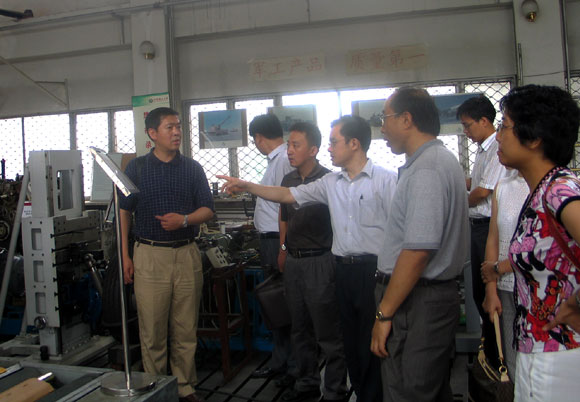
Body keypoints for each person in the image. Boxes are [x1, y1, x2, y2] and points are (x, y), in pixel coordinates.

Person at [219, 115, 397, 402]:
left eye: (334, 142)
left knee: (370, 340)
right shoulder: (331, 183)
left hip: (373, 272)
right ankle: (337, 389)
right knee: (346, 339)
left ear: (354, 144)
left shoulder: (387, 181)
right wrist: (247, 186)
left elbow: (398, 234)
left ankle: (365, 394)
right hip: (342, 270)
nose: (330, 148)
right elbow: (287, 196)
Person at [371, 87, 469, 402]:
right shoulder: (434, 161)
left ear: (406, 119)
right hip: (420, 297)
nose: (382, 129)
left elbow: (417, 252)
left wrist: (384, 315)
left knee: (409, 390)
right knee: (427, 388)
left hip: (417, 300)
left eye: (384, 118)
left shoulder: (427, 169)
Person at [119, 107, 214, 402]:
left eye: (178, 126)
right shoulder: (136, 169)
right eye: (170, 127)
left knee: (186, 328)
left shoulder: (192, 169)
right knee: (152, 330)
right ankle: (156, 388)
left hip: (186, 254)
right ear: (152, 133)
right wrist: (125, 256)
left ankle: (185, 386)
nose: (177, 132)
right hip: (149, 255)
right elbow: (124, 212)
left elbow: (208, 209)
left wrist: (184, 220)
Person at [495, 84, 580, 401]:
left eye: (504, 126)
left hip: (562, 351)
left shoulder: (560, 191)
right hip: (537, 348)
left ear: (534, 138)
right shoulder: (541, 191)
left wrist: (576, 305)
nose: (497, 137)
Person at [278, 122, 348, 402]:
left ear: (313, 150)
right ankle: (306, 383)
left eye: (295, 145)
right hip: (293, 262)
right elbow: (284, 217)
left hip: (321, 261)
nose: (289, 150)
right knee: (299, 327)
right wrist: (283, 247)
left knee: (328, 331)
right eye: (288, 145)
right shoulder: (288, 180)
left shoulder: (330, 179)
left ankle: (335, 390)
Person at [457, 95, 506, 368]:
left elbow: (482, 192)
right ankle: (489, 351)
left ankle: (495, 357)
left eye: (468, 125)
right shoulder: (482, 150)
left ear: (484, 121)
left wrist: (456, 201)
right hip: (478, 228)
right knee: (479, 292)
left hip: (488, 229)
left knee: (488, 292)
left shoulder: (497, 148)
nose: (465, 131)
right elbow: (475, 183)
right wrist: (455, 181)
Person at [247, 114, 296, 385]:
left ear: (258, 138)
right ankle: (281, 363)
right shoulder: (278, 160)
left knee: (281, 304)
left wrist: (283, 247)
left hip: (276, 240)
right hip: (272, 239)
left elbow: (285, 207)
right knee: (275, 303)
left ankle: (290, 367)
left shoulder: (282, 161)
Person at [481, 170, 528, 379]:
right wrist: (491, 289)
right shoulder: (503, 186)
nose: (499, 155)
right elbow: (493, 238)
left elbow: (541, 249)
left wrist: (499, 268)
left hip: (538, 293)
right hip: (506, 289)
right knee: (512, 363)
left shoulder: (555, 187)